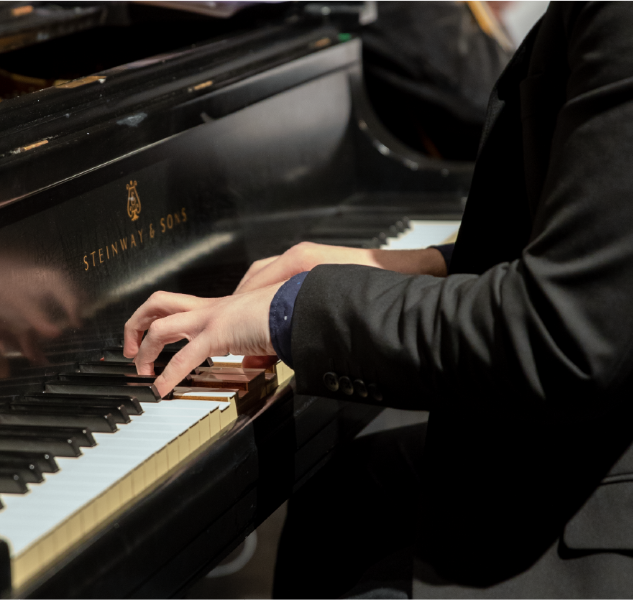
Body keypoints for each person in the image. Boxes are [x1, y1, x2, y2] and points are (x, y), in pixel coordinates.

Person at [123, 3, 633, 597]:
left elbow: (563, 335)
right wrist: (407, 264)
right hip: (593, 428)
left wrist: (291, 310)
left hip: (598, 474)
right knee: (340, 496)